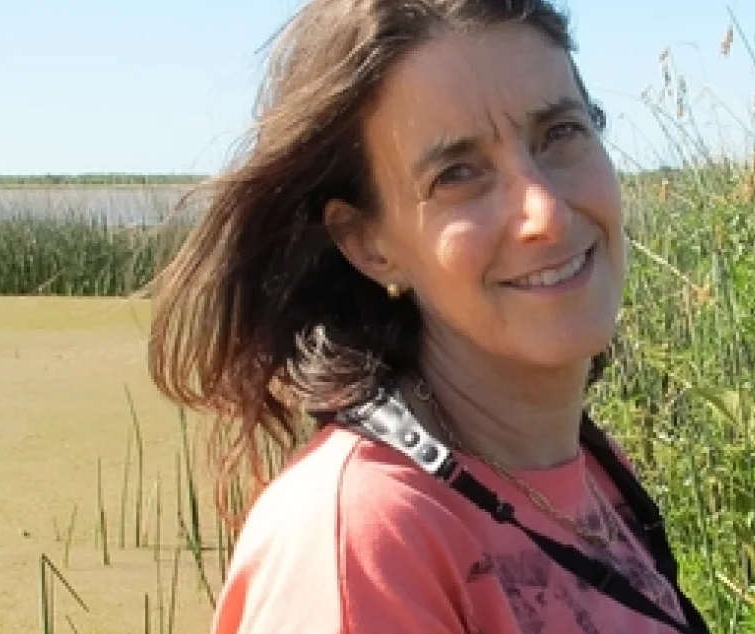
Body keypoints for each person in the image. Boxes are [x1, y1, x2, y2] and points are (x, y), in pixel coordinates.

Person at [144, 0, 709, 632]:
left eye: (560, 133)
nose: (545, 212)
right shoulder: (364, 543)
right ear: (368, 244)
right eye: (458, 174)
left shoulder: (589, 470)